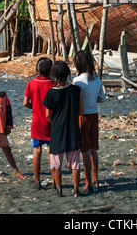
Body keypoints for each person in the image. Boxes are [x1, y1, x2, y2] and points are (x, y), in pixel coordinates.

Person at [43, 61, 83, 197]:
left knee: (56, 162)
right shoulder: (76, 90)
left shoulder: (50, 93)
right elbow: (81, 110)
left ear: (53, 75)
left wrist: (55, 122)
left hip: (57, 130)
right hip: (73, 129)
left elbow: (48, 114)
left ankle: (59, 189)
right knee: (75, 162)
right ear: (67, 74)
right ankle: (76, 188)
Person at [72, 50, 106, 193]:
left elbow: (75, 102)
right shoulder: (97, 80)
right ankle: (95, 178)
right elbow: (102, 98)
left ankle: (87, 182)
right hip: (94, 114)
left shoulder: (77, 81)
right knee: (93, 148)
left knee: (84, 150)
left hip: (82, 116)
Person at [23, 57, 54, 189]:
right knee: (51, 152)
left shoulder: (31, 84)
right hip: (51, 121)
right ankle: (55, 180)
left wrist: (35, 107)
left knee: (37, 151)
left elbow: (25, 103)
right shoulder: (54, 84)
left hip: (36, 122)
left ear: (37, 70)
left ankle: (37, 181)